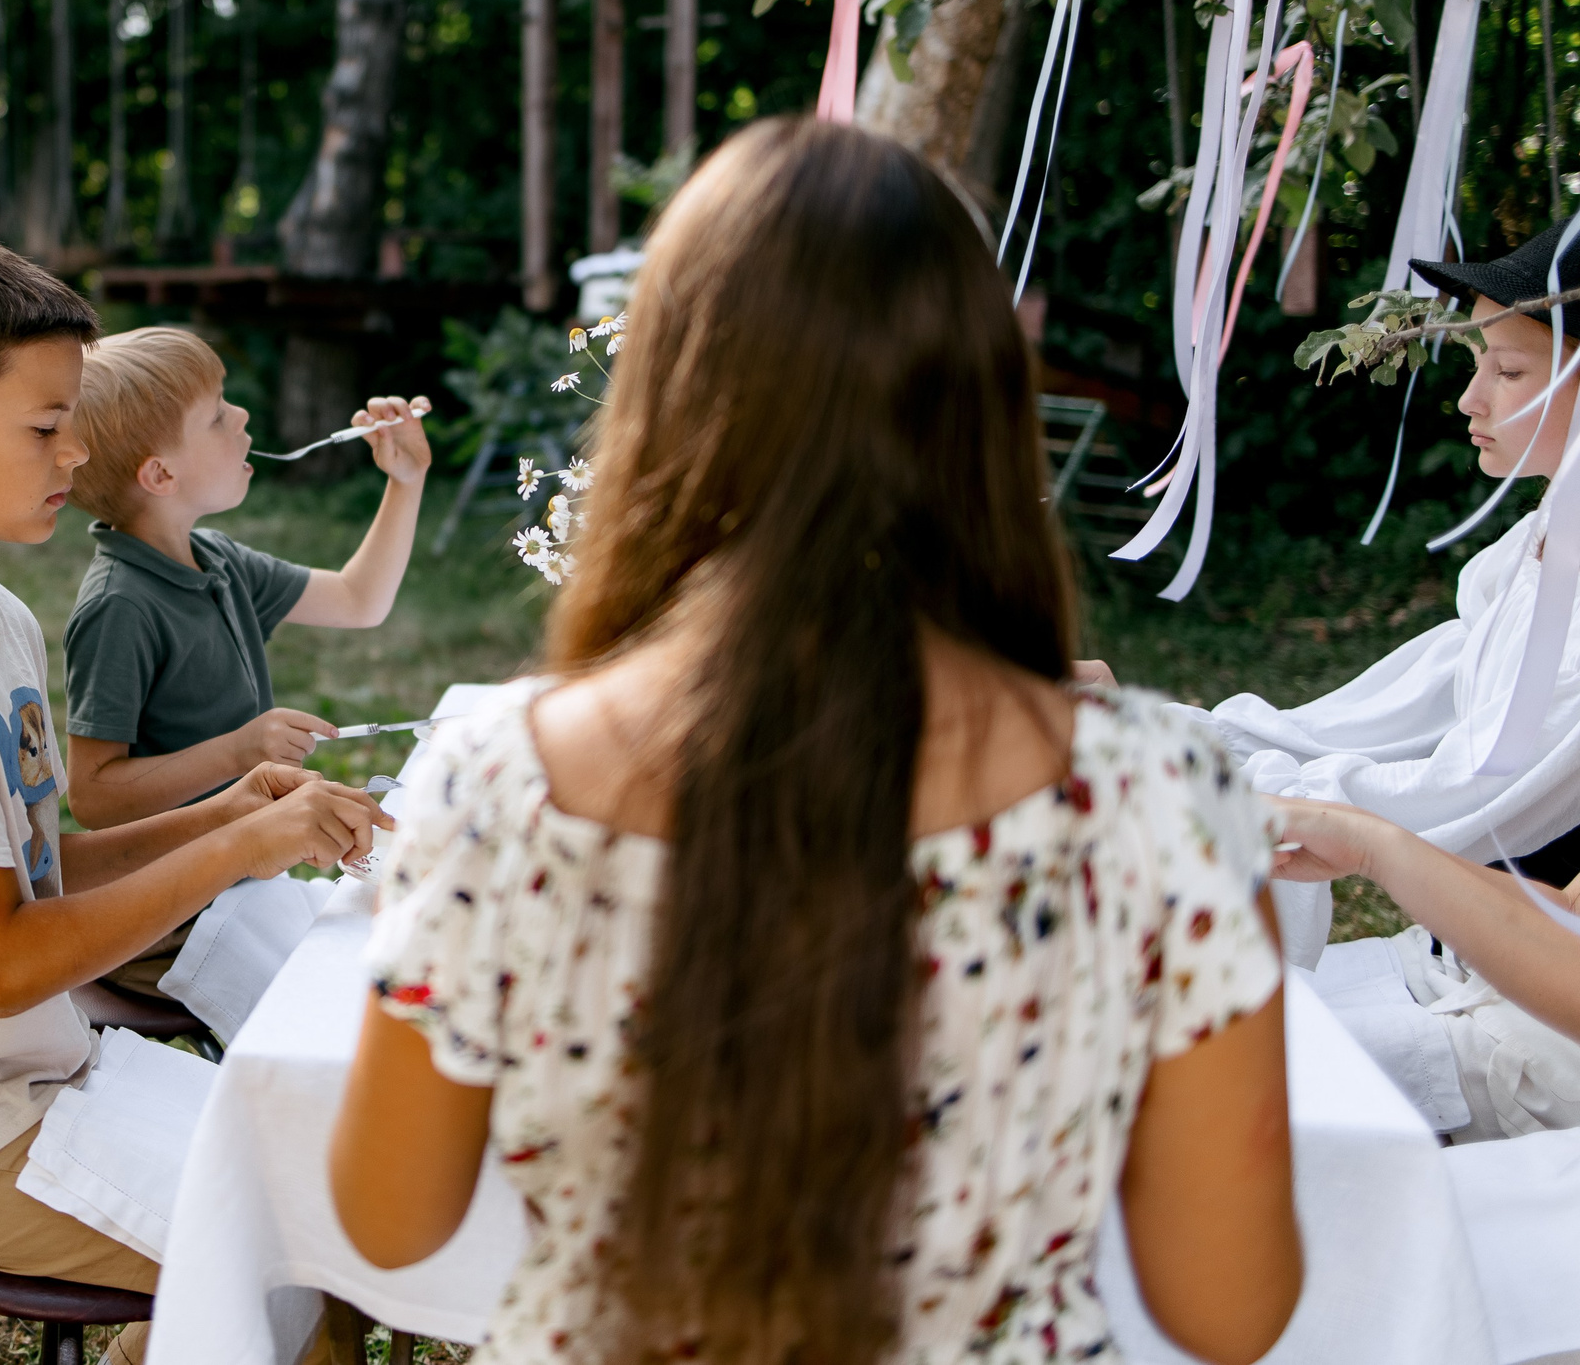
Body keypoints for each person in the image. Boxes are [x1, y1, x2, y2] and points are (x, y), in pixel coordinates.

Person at [326, 118, 1301, 1365]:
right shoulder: (1161, 795)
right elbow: (1232, 1308)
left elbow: (389, 1219)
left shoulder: (498, 781)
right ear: (987, 406)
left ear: (667, 397)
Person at [0, 234, 382, 1365]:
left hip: (39, 1078)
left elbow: (38, 864)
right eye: (45, 427)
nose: (77, 450)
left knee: (325, 1181)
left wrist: (224, 807)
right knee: (296, 1252)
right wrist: (236, 850)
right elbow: (3, 962)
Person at [1179, 229, 1580, 969]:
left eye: (1510, 370)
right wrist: (1204, 740)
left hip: (1523, 1003)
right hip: (1459, 961)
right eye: (1474, 363)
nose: (1470, 397)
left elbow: (1464, 789)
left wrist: (1282, 797)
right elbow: (1408, 707)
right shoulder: (1535, 543)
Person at [62, 325, 431, 828]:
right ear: (161, 475)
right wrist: (237, 752)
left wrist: (405, 481)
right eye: (216, 415)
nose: (241, 415)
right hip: (188, 900)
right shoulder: (119, 608)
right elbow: (92, 797)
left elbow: (358, 599)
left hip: (251, 867)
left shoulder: (218, 560)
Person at [1275, 794, 1580, 1139]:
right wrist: (1354, 830)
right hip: (1439, 968)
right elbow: (1568, 909)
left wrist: (1374, 846)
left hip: (1505, 1062)